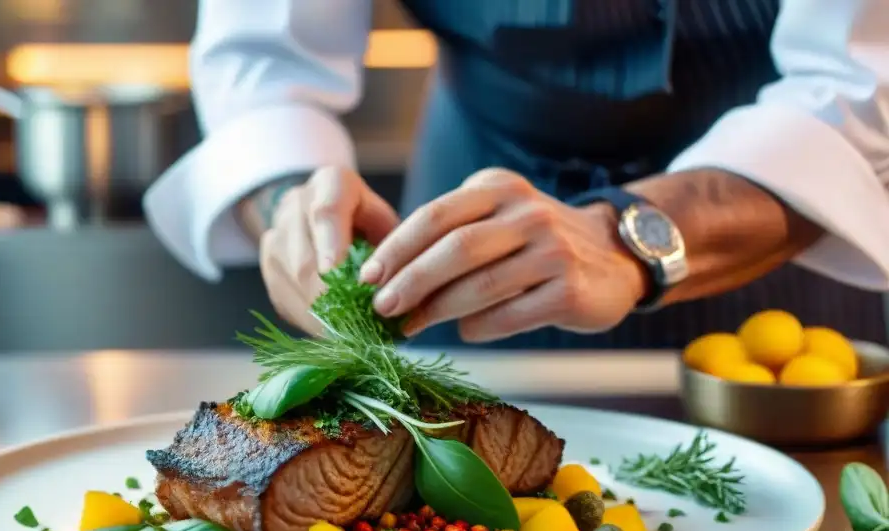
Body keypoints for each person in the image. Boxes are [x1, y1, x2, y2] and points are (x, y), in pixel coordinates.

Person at [144, 0, 889, 350]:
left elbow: (864, 80)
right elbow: (267, 60)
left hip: (780, 262)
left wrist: (629, 237)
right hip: (462, 259)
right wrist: (291, 202)